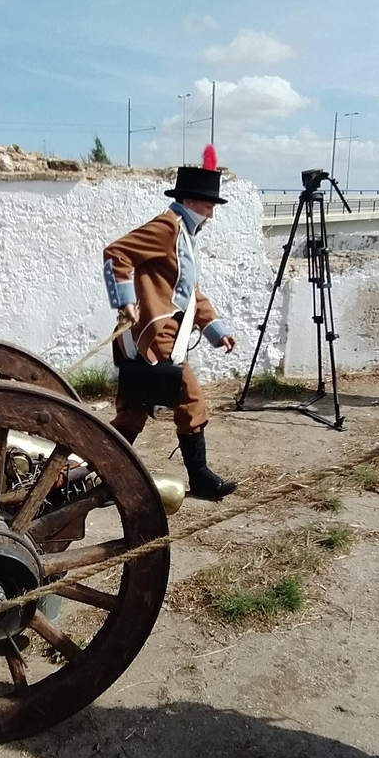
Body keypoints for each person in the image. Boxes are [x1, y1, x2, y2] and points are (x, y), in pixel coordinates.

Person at [103, 145, 239, 500]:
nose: (211, 215)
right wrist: (125, 302)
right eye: (209, 207)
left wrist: (215, 330)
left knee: (132, 411)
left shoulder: (182, 234)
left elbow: (189, 291)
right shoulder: (167, 226)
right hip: (156, 335)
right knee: (191, 400)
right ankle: (201, 479)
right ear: (192, 201)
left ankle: (101, 472)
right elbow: (117, 252)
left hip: (164, 334)